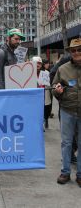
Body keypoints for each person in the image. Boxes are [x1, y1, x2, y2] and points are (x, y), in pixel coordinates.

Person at [52, 38, 81, 187]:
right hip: (67, 110)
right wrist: (58, 91)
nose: (76, 52)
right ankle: (65, 172)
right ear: (70, 52)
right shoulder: (62, 69)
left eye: (79, 50)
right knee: (66, 143)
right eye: (73, 50)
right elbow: (54, 87)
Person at [32, 56, 52, 130]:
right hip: (33, 98)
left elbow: (50, 84)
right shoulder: (28, 73)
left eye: (39, 63)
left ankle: (43, 122)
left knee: (44, 112)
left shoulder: (46, 73)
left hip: (44, 96)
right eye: (36, 63)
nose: (37, 65)